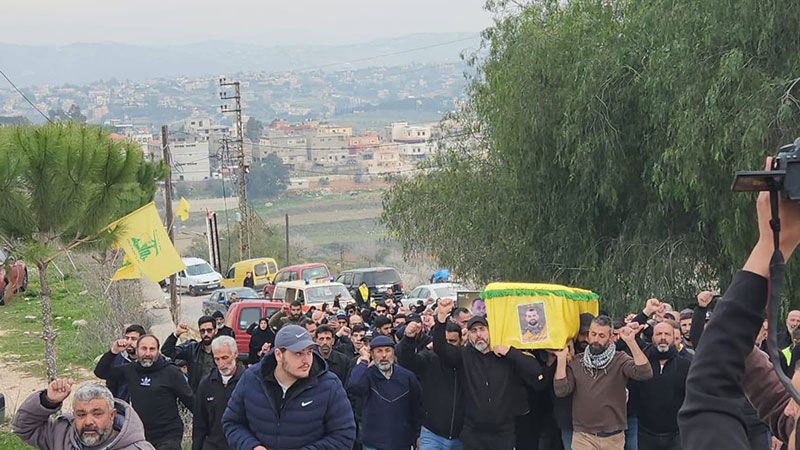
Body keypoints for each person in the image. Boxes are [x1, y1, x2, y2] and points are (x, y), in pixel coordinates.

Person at [678, 169, 800, 450]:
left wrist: (772, 243)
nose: (790, 409)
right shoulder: (790, 414)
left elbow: (709, 388)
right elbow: (779, 404)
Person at [433, 298, 546, 449]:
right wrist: (441, 318)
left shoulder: (505, 356)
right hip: (473, 433)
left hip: (503, 433)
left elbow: (535, 371)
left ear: (490, 331)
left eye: (482, 329)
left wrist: (510, 352)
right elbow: (440, 348)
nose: (478, 334)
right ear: (469, 335)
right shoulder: (464, 356)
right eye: (473, 331)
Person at [222, 324, 356, 450]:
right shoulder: (252, 379)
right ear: (279, 355)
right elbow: (232, 422)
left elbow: (344, 435)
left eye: (309, 352)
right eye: (298, 353)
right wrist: (251, 446)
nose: (306, 360)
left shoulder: (329, 385)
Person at [554, 316, 653, 450]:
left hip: (613, 437)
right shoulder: (577, 362)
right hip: (583, 436)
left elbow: (645, 373)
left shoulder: (620, 359)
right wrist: (561, 359)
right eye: (593, 334)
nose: (596, 339)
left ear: (611, 337)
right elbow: (561, 390)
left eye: (601, 336)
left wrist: (631, 342)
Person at [94, 334, 194, 450]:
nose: (147, 354)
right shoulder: (130, 370)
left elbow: (190, 401)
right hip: (139, 434)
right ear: (137, 350)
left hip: (168, 435)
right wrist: (113, 351)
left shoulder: (171, 372)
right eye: (143, 348)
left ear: (157, 351)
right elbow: (101, 372)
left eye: (152, 349)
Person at [12, 379, 154, 450]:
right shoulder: (62, 435)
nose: (88, 422)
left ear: (112, 415)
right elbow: (23, 427)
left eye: (97, 413)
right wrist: (48, 401)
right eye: (81, 414)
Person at [347, 335, 423, 450]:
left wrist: (417, 435)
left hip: (402, 442)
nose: (384, 355)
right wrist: (364, 359)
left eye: (388, 350)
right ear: (372, 354)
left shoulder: (407, 377)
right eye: (379, 351)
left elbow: (417, 408)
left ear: (393, 353)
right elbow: (353, 386)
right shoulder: (367, 375)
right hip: (373, 443)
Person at [398, 318, 464, 449]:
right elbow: (408, 362)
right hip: (432, 433)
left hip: (461, 436)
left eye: (452, 341)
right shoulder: (429, 358)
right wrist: (408, 340)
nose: (447, 346)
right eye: (444, 342)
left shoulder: (467, 361)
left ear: (461, 341)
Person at [629, 321, 690, 450]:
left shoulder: (686, 365)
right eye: (659, 334)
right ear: (652, 337)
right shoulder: (641, 363)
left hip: (677, 435)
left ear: (674, 338)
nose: (663, 337)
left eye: (667, 334)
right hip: (645, 433)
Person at [193, 336, 244, 450]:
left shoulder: (248, 382)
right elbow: (199, 424)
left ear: (235, 354)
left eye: (225, 358)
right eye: (217, 359)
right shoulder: (206, 384)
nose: (221, 364)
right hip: (213, 444)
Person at [161, 316, 218, 392]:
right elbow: (167, 350)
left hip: (217, 395)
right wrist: (176, 334)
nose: (206, 334)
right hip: (197, 396)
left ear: (215, 331)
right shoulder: (192, 349)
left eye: (209, 330)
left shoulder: (222, 350)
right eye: (202, 331)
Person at [106, 324, 146, 402]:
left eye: (133, 339)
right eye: (127, 338)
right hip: (122, 407)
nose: (129, 342)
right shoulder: (118, 359)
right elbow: (108, 381)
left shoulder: (148, 361)